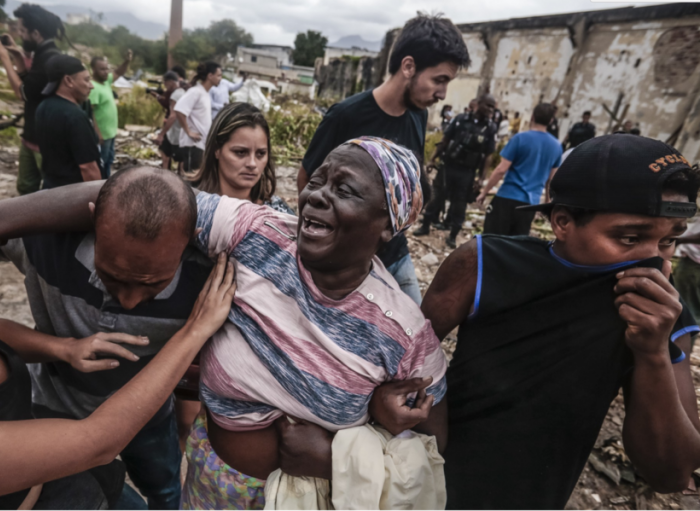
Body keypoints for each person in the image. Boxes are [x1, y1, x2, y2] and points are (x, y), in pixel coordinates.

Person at [0, 138, 449, 510]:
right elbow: (140, 194)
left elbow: (431, 451)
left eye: (344, 190)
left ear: (389, 224)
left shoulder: (403, 332)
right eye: (318, 180)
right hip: (211, 479)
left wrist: (339, 457)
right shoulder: (256, 233)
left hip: (314, 496)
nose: (318, 196)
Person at [282, 135, 700, 509]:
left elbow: (670, 473)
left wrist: (652, 353)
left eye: (668, 241)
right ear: (562, 222)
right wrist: (380, 406)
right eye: (630, 238)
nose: (656, 261)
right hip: (428, 481)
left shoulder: (660, 314)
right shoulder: (485, 264)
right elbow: (399, 356)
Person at [0, 191, 236, 509]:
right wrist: (195, 331)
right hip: (64, 472)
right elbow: (97, 442)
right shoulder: (44, 250)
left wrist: (64, 348)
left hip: (73, 476)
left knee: (163, 488)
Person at [296, 14, 471, 305]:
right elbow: (307, 179)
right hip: (347, 262)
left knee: (416, 323)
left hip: (395, 254)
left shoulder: (418, 116)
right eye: (438, 80)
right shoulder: (346, 116)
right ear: (408, 66)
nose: (442, 94)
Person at [0, 3, 64, 195]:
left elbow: (21, 93)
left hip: (45, 143)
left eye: (23, 31)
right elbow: (31, 85)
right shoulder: (42, 54)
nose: (20, 35)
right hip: (31, 136)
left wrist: (4, 58)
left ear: (36, 33)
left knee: (52, 193)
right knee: (26, 189)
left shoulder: (49, 59)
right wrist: (17, 55)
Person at [414, 93, 497, 248]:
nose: (491, 110)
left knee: (460, 204)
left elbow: (488, 156)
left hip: (467, 172)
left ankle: (452, 235)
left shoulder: (490, 128)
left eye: (493, 107)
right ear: (479, 103)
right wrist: (432, 159)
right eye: (488, 105)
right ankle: (425, 225)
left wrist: (481, 178)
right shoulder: (460, 120)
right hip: (448, 166)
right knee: (436, 196)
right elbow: (445, 140)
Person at [189, 102, 294, 214]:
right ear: (217, 150)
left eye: (261, 153)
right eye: (240, 152)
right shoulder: (190, 208)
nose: (252, 163)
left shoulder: (278, 212)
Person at [476, 102, 563, 236]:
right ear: (551, 120)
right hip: (530, 204)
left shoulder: (520, 138)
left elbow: (501, 170)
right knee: (516, 244)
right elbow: (551, 180)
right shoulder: (556, 146)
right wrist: (547, 203)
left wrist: (484, 192)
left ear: (532, 116)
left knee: (492, 240)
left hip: (507, 198)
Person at [35, 55, 102, 189]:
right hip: (74, 194)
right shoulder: (75, 116)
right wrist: (99, 197)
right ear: (68, 81)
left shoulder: (43, 106)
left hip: (51, 189)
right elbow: (88, 168)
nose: (91, 86)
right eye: (86, 80)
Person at [89, 50, 133, 179]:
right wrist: (97, 133)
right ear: (93, 70)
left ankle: (107, 183)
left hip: (111, 133)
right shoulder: (93, 88)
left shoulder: (106, 82)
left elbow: (118, 72)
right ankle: (100, 186)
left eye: (106, 68)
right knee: (101, 164)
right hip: (102, 135)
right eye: (102, 69)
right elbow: (90, 113)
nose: (106, 72)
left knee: (109, 160)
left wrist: (127, 61)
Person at [174, 62, 223, 174]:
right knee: (190, 179)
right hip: (193, 145)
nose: (220, 78)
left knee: (197, 179)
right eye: (219, 75)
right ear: (210, 76)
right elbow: (179, 110)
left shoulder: (204, 93)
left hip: (200, 145)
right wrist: (188, 131)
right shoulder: (195, 92)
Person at [155, 71, 187, 171]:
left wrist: (161, 134)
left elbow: (173, 116)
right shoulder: (183, 92)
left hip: (174, 132)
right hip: (181, 131)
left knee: (165, 156)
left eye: (165, 82)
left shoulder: (175, 95)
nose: (165, 85)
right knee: (181, 161)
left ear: (171, 81)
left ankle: (165, 176)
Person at [675, 219, 700, 338]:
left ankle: (684, 344)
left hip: (694, 265)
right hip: (692, 264)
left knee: (687, 310)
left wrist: (679, 240)